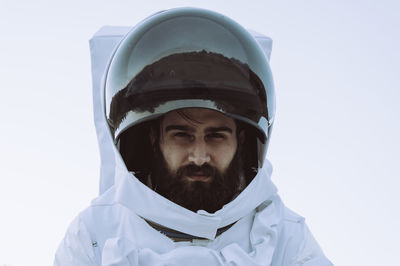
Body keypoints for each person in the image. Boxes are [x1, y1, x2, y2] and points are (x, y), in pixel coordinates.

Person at [55, 7, 333, 265]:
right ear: (154, 139)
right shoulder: (95, 233)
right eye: (182, 135)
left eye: (216, 136)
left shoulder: (285, 236)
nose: (199, 155)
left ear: (243, 141)